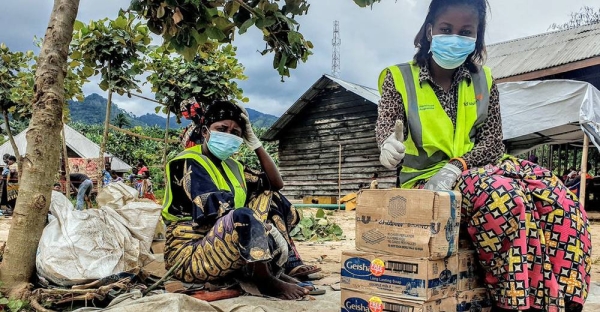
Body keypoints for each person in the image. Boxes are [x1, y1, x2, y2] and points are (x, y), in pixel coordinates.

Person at [375, 1, 590, 311]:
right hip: (426, 183)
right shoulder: (399, 78)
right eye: (447, 29)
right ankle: (512, 303)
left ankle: (563, 299)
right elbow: (385, 125)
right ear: (429, 30)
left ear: (477, 37)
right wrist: (387, 145)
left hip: (475, 168)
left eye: (466, 32)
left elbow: (492, 144)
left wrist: (458, 165)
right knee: (503, 197)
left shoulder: (484, 80)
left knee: (557, 194)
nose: (455, 37)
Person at [162, 100, 320, 300]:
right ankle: (265, 281)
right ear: (205, 132)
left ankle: (286, 264)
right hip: (190, 254)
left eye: (235, 132)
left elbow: (275, 184)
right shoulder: (187, 161)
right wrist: (262, 229)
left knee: (272, 198)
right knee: (243, 215)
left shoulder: (234, 166)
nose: (228, 135)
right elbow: (221, 211)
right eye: (222, 129)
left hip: (224, 245)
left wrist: (255, 143)